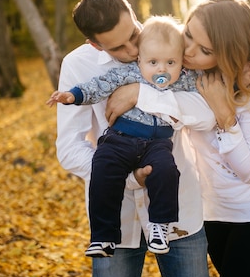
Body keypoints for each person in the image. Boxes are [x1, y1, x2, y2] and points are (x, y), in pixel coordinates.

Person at [130, 0, 250, 277]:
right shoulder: (190, 72)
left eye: (205, 50)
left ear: (228, 52)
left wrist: (224, 115)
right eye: (189, 35)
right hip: (214, 209)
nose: (189, 52)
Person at [54, 0, 215, 277]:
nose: (132, 48)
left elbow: (207, 115)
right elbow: (69, 148)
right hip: (117, 216)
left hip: (179, 208)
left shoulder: (172, 43)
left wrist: (143, 94)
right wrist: (129, 179)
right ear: (95, 44)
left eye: (134, 34)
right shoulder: (77, 65)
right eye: (118, 46)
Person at [47, 15, 201, 258]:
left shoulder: (181, 76)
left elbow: (204, 100)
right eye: (153, 62)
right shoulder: (128, 72)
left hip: (159, 144)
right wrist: (73, 96)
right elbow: (100, 85)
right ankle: (103, 235)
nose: (161, 69)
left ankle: (160, 225)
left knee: (166, 169)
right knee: (103, 164)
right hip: (121, 139)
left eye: (170, 63)